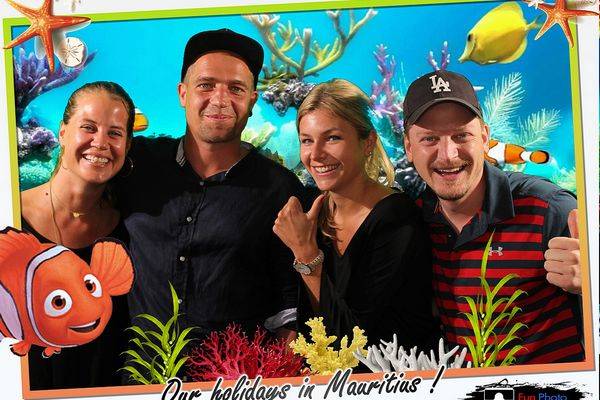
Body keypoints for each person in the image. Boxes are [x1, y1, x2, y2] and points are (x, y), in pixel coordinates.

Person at [115, 29, 304, 344]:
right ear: (182, 94)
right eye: (206, 85)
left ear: (252, 100)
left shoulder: (281, 190)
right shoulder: (136, 164)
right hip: (138, 377)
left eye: (236, 88)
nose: (219, 100)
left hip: (234, 379)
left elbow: (290, 303)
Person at [402, 70, 584, 364]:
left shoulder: (548, 209)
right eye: (429, 139)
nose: (447, 154)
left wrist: (591, 284)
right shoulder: (412, 220)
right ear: (409, 148)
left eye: (461, 135)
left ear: (485, 138)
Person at [273, 79, 439, 350]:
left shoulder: (397, 218)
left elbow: (353, 342)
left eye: (332, 138)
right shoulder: (312, 214)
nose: (315, 154)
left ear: (368, 142)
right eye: (307, 141)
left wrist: (305, 254)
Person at [20, 81, 135, 388]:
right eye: (88, 127)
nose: (100, 142)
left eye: (115, 133)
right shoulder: (11, 217)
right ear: (62, 132)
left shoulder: (129, 231)